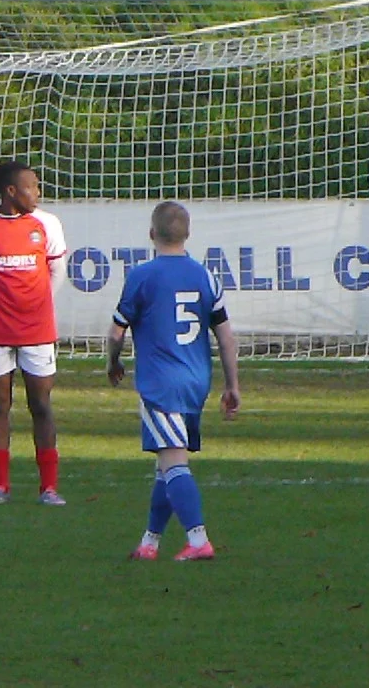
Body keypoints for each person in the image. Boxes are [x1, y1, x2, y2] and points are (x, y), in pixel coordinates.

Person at [106, 200, 240, 561]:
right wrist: (232, 385)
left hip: (160, 384)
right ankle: (150, 542)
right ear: (188, 234)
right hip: (196, 382)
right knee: (165, 466)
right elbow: (226, 337)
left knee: (174, 463)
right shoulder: (205, 276)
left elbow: (116, 332)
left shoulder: (142, 276)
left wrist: (113, 362)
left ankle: (198, 539)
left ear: (152, 233)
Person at [0, 161, 68, 506]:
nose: (36, 193)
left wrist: (39, 305)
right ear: (10, 191)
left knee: (41, 404)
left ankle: (48, 487)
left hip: (38, 330)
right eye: (30, 187)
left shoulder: (47, 223)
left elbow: (57, 269)